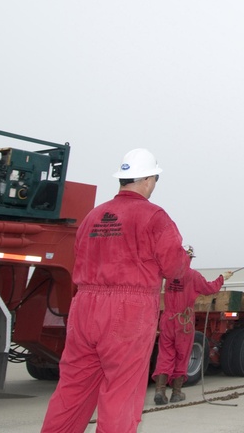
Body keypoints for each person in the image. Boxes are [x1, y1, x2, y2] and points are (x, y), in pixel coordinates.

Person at [41, 148, 191, 433]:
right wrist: (184, 258)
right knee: (121, 393)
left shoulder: (93, 216)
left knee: (72, 390)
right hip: (128, 313)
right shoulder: (154, 216)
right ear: (148, 179)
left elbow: (80, 256)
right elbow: (173, 267)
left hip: (84, 306)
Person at [152, 246, 233, 404]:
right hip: (184, 321)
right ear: (189, 259)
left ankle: (160, 391)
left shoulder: (168, 275)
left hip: (167, 319)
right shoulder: (193, 276)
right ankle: (176, 393)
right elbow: (210, 288)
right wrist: (222, 278)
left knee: (165, 355)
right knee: (182, 356)